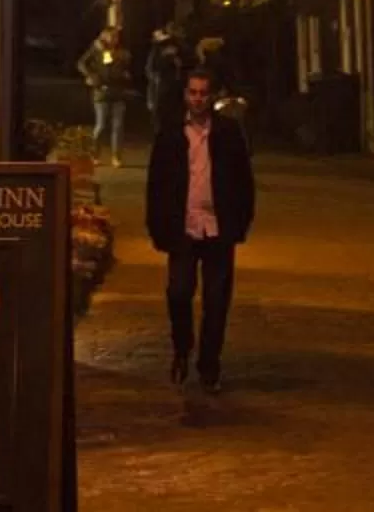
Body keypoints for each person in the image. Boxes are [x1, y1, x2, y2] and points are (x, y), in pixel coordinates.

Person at [145, 64, 254, 392]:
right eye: (192, 92)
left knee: (217, 300)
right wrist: (158, 227)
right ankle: (182, 347)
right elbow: (157, 183)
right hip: (183, 226)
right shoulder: (170, 134)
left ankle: (209, 364)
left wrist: (241, 221)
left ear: (212, 96)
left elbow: (243, 180)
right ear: (184, 95)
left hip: (218, 227)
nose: (198, 99)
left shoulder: (228, 132)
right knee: (178, 293)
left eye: (203, 93)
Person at [78, 22, 134, 166]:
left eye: (116, 36)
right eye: (111, 36)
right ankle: (95, 154)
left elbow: (127, 65)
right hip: (101, 92)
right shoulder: (96, 49)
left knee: (118, 126)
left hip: (118, 92)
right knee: (101, 125)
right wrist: (91, 76)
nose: (114, 39)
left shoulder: (122, 52)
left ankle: (116, 156)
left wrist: (124, 73)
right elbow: (81, 63)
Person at [144, 23, 185, 133]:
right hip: (162, 87)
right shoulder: (160, 48)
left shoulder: (180, 47)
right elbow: (152, 67)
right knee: (161, 115)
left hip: (175, 87)